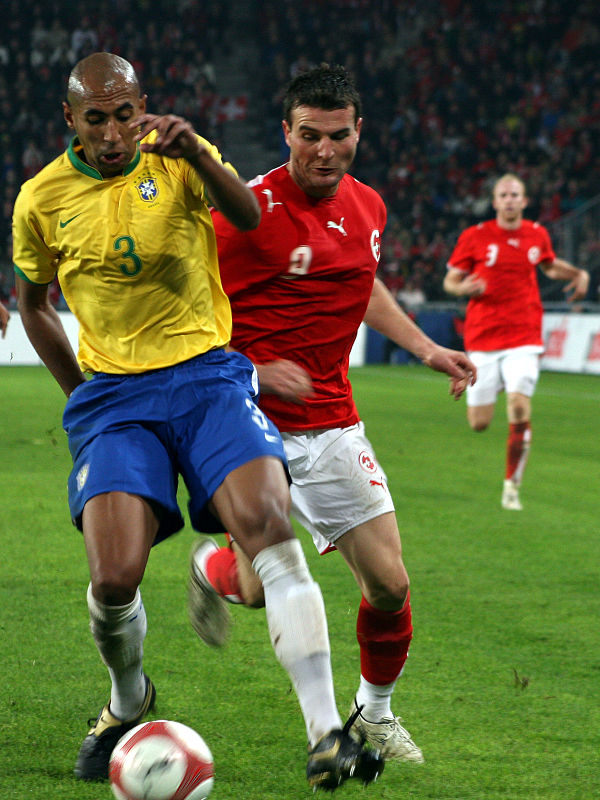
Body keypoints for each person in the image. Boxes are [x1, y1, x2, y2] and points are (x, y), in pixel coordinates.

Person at [12, 53, 383, 791]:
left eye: (125, 114)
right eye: (97, 119)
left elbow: (249, 217)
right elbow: (33, 305)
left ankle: (324, 735)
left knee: (270, 525)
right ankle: (128, 701)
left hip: (207, 375)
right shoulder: (39, 199)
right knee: (115, 578)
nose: (115, 133)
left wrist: (197, 158)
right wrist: (80, 395)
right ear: (70, 121)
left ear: (141, 107)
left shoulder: (180, 156)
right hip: (115, 396)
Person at [188, 64, 477, 764]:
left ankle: (373, 714)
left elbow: (360, 281)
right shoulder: (244, 212)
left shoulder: (370, 206)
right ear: (285, 132)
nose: (324, 150)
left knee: (390, 586)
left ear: (358, 132)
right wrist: (255, 369)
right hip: (249, 429)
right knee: (264, 591)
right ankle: (218, 569)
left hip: (335, 427)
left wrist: (424, 346)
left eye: (338, 135)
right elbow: (188, 315)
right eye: (309, 136)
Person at [444, 173, 589, 510]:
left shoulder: (536, 234)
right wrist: (462, 288)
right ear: (495, 202)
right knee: (478, 423)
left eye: (515, 195)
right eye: (504, 195)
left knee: (519, 407)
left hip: (524, 335)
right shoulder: (474, 236)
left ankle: (511, 485)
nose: (510, 200)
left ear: (524, 201)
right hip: (482, 336)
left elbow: (550, 268)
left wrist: (578, 273)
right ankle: (496, 382)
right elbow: (451, 280)